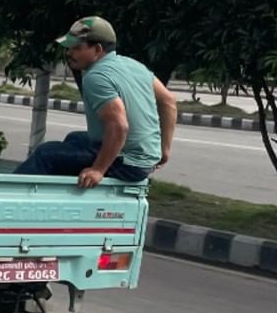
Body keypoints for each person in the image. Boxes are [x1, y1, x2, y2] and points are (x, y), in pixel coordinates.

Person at [14, 17, 177, 188]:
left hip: (127, 164)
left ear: (98, 49)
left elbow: (119, 126)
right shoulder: (133, 65)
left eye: (77, 48)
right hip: (145, 157)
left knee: (45, 154)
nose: (69, 53)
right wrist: (164, 150)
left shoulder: (96, 77)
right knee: (75, 138)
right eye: (69, 47)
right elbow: (169, 101)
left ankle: (9, 196)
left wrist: (98, 170)